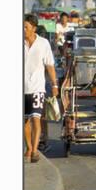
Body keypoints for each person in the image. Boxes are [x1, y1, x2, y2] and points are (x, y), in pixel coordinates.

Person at [24, 14, 58, 163]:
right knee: (24, 122)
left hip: (38, 88)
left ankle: (35, 149)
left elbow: (50, 65)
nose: (23, 30)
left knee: (36, 119)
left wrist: (54, 84)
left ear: (34, 28)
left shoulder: (44, 43)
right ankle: (29, 147)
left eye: (26, 27)